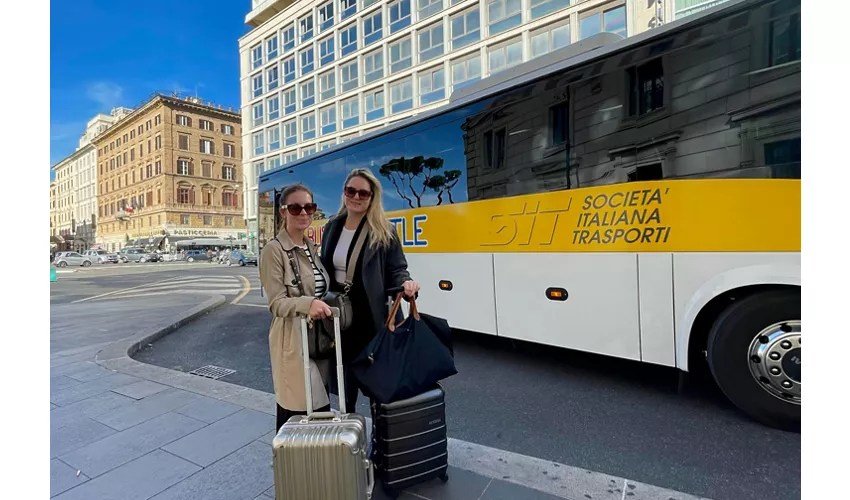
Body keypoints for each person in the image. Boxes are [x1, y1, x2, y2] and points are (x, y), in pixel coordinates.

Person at [320, 168, 421, 412]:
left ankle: (382, 444)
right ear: (344, 193)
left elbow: (398, 268)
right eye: (351, 190)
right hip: (341, 317)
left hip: (373, 319)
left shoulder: (383, 229)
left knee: (379, 386)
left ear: (372, 197)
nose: (356, 196)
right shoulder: (333, 225)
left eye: (363, 193)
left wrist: (406, 285)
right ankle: (349, 440)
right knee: (346, 386)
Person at [260, 183, 334, 433]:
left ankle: (318, 464)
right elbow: (276, 303)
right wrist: (308, 304)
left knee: (319, 406)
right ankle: (294, 466)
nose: (303, 213)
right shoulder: (274, 250)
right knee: (298, 409)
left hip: (317, 339)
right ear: (283, 212)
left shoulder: (311, 248)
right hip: (292, 340)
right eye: (295, 207)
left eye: (309, 207)